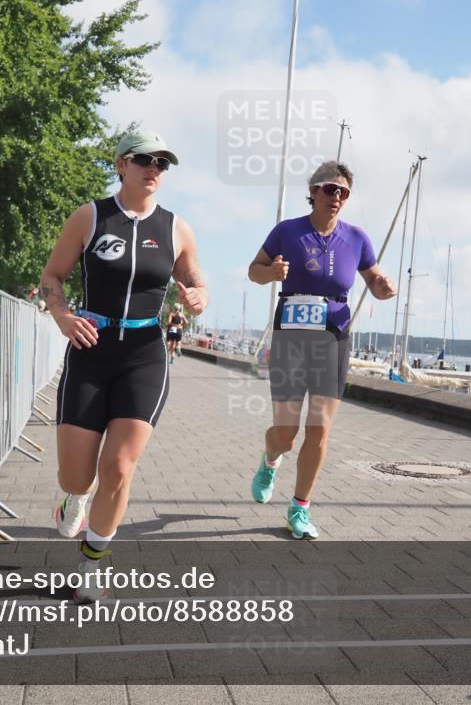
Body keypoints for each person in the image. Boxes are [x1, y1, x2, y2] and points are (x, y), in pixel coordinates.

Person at [40, 127, 207, 599]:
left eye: (162, 163)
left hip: (144, 354)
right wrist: (62, 315)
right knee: (78, 475)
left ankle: (92, 569)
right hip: (91, 350)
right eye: (144, 160)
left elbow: (197, 283)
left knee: (118, 468)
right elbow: (53, 275)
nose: (154, 169)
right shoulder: (90, 217)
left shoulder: (177, 228)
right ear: (121, 165)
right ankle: (74, 498)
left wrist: (198, 296)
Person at [247, 161, 396, 539]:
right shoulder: (287, 231)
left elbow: (373, 276)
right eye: (330, 189)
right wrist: (272, 274)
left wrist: (380, 286)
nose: (336, 197)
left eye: (344, 192)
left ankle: (299, 509)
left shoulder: (357, 238)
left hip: (334, 336)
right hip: (291, 336)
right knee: (286, 433)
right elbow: (254, 270)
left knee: (320, 429)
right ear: (313, 190)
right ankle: (270, 459)